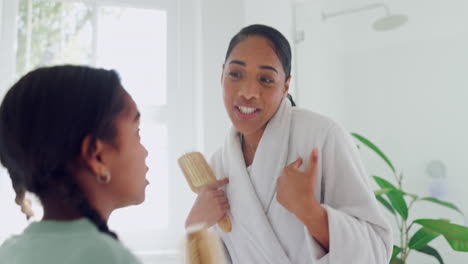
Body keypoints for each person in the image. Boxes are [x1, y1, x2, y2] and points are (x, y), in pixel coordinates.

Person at [185, 24, 393, 263]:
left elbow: (377, 250)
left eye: (265, 79)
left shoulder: (321, 137)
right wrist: (195, 228)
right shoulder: (218, 166)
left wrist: (309, 211)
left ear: (285, 86)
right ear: (222, 75)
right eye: (235, 74)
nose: (249, 92)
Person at [0, 65, 148, 264]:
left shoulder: (9, 252)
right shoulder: (107, 257)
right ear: (96, 157)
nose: (145, 151)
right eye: (136, 132)